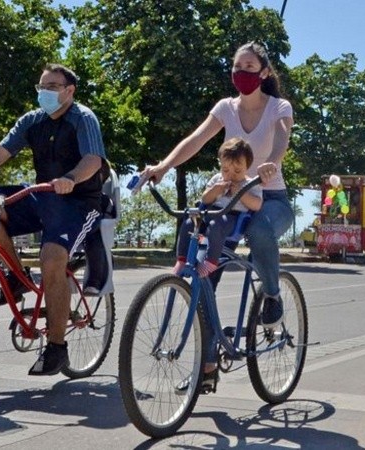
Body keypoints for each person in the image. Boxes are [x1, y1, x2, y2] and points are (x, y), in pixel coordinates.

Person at [139, 42, 293, 392]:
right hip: (229, 197)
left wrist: (273, 163)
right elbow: (195, 140)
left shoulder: (278, 107)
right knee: (203, 278)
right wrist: (163, 167)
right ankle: (207, 367)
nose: (241, 73)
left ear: (265, 72)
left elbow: (283, 137)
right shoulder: (226, 108)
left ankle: (271, 296)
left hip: (268, 197)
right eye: (237, 66)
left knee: (259, 232)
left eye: (249, 67)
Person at [0, 63, 108, 376]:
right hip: (42, 194)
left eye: (52, 87)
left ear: (69, 91)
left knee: (52, 258)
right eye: (41, 87)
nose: (44, 92)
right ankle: (16, 276)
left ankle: (57, 347)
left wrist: (71, 178)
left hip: (78, 202)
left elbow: (93, 160)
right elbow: (2, 151)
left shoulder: (83, 118)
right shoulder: (32, 121)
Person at [172, 138, 263, 278]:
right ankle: (182, 260)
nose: (231, 175)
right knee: (189, 222)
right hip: (212, 211)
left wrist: (241, 194)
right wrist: (215, 190)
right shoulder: (217, 179)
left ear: (247, 167)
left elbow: (257, 205)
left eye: (237, 171)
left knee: (216, 225)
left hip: (233, 217)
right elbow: (205, 199)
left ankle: (211, 261)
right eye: (226, 170)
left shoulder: (250, 184)